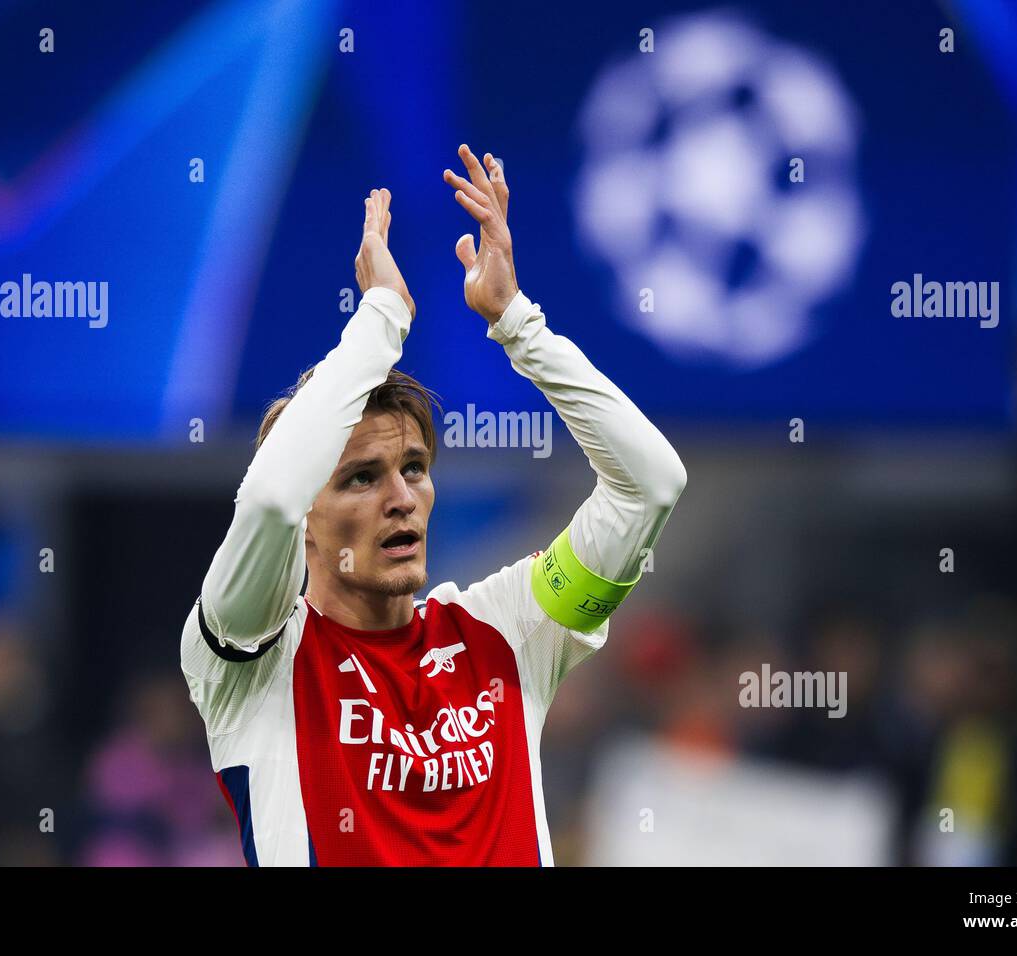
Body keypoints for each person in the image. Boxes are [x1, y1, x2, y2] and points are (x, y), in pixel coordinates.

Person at [180, 144, 686, 865]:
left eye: (414, 468)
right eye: (359, 478)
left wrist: (518, 323)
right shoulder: (250, 657)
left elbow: (651, 483)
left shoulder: (507, 632)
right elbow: (266, 501)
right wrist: (382, 316)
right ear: (308, 520)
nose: (400, 498)